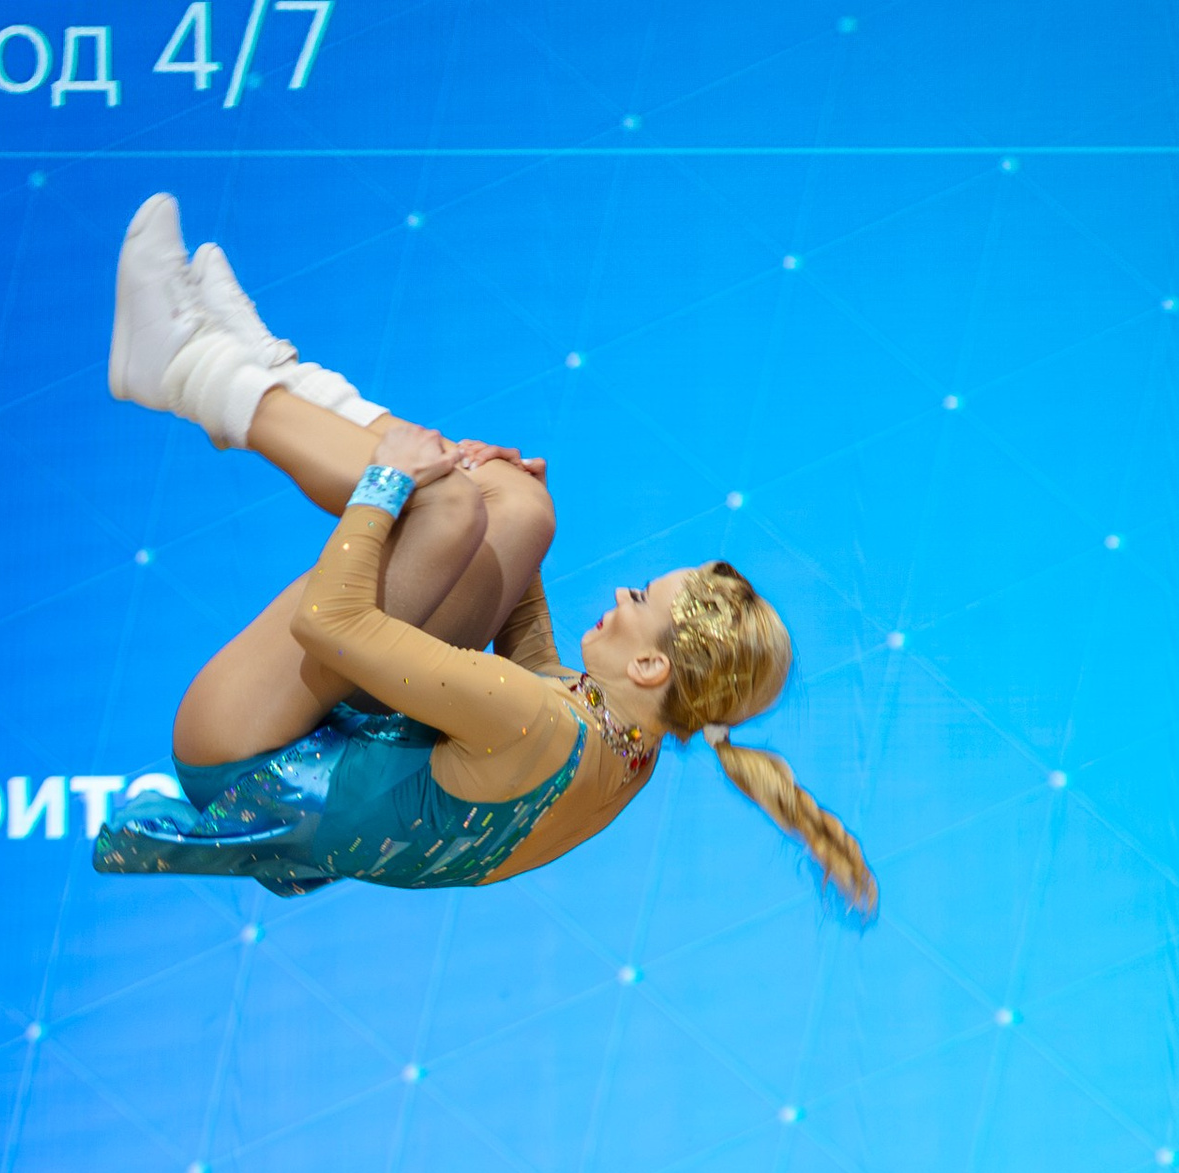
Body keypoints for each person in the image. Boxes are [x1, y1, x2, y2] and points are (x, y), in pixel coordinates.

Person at [94, 198, 876, 914]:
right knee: (520, 506)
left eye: (640, 598)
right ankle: (263, 368)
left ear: (649, 666)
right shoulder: (629, 743)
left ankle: (190, 367)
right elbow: (534, 670)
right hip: (337, 741)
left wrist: (386, 484)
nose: (620, 595)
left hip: (243, 757)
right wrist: (514, 501)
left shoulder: (533, 722)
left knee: (444, 506)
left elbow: (329, 622)